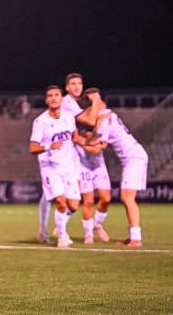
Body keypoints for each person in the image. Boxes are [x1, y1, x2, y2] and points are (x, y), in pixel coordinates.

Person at [82, 88, 149, 247]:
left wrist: (80, 140)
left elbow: (98, 147)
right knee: (127, 197)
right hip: (133, 157)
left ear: (102, 102)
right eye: (90, 102)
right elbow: (94, 137)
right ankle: (132, 235)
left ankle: (136, 238)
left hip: (134, 157)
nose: (93, 105)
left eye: (96, 101)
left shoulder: (105, 119)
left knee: (127, 197)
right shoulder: (105, 116)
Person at [29, 86, 91, 248]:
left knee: (73, 205)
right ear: (46, 100)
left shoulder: (69, 117)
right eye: (50, 96)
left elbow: (73, 136)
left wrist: (88, 141)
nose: (54, 98)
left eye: (57, 95)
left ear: (61, 99)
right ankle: (62, 237)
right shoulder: (40, 122)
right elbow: (33, 148)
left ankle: (58, 227)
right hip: (50, 168)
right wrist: (49, 146)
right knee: (61, 202)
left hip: (69, 167)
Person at [72, 109, 111, 244]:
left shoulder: (100, 135)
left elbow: (95, 150)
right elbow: (92, 147)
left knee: (105, 199)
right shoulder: (77, 135)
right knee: (88, 201)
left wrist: (81, 141)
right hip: (84, 169)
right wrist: (80, 140)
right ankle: (88, 234)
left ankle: (97, 224)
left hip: (100, 168)